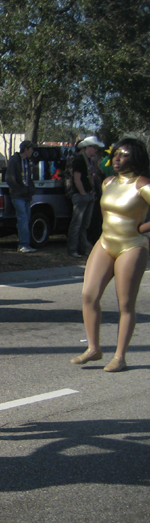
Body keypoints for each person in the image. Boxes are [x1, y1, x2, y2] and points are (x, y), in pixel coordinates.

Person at [71, 138, 150, 373]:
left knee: (125, 304)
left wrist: (141, 228)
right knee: (88, 294)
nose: (116, 158)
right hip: (105, 243)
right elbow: (105, 210)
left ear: (134, 159)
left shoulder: (142, 184)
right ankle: (93, 348)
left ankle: (120, 356)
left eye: (123, 155)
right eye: (115, 154)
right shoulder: (107, 182)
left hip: (132, 246)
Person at [67, 136, 104, 258]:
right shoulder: (79, 160)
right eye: (94, 147)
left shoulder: (90, 160)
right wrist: (83, 193)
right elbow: (77, 178)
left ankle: (82, 249)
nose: (96, 150)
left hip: (89, 194)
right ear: (87, 147)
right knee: (76, 223)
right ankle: (72, 249)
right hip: (80, 195)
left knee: (85, 225)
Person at [5, 140, 37, 253]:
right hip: (18, 195)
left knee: (27, 219)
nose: (33, 151)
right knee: (22, 219)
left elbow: (28, 178)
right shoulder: (15, 160)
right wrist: (19, 189)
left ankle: (26, 243)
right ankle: (23, 244)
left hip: (26, 195)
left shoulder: (27, 161)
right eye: (31, 149)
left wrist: (30, 190)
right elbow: (10, 178)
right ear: (26, 149)